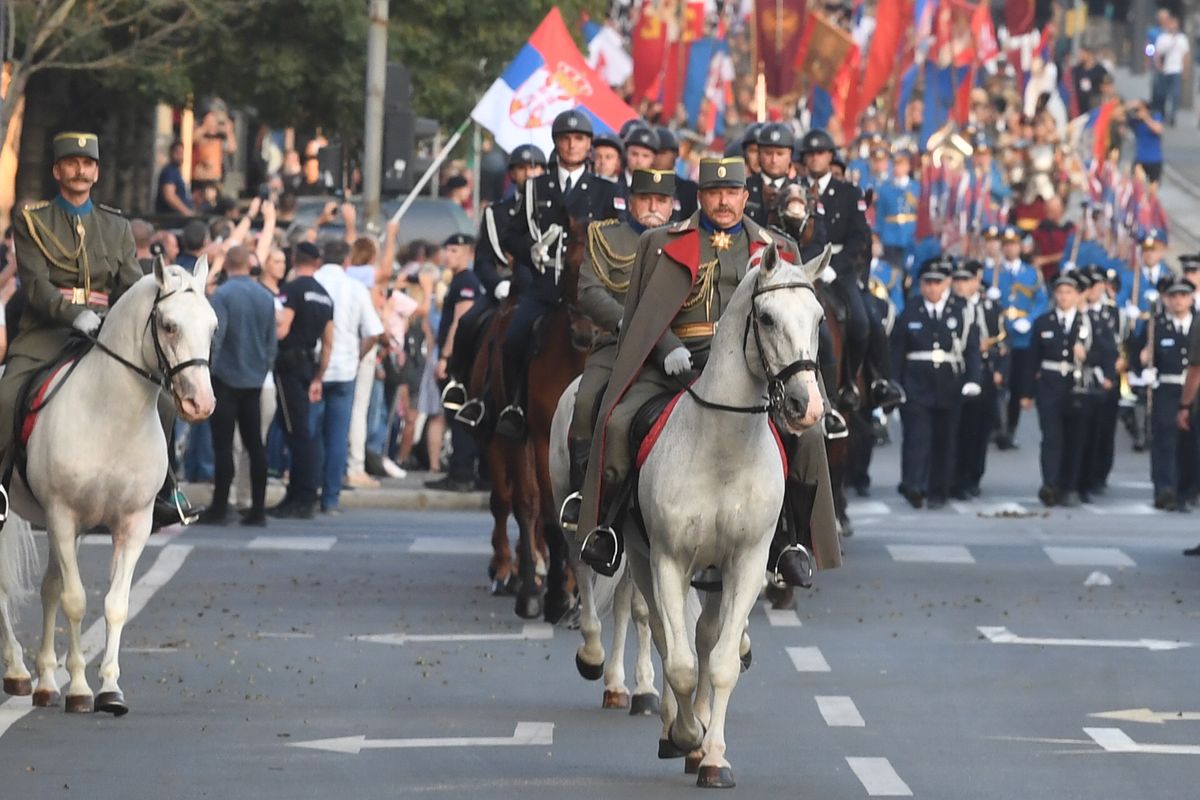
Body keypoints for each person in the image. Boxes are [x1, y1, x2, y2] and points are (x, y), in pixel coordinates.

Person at [578, 157, 842, 589]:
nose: (723, 201)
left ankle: (791, 541)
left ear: (744, 195)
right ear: (699, 196)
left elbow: (794, 324)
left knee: (810, 434)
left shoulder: (777, 248)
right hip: (676, 360)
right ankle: (608, 528)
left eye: (732, 192)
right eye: (714, 193)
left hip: (753, 367)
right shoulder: (661, 241)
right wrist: (666, 348)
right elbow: (642, 310)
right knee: (618, 418)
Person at [0, 131, 202, 528]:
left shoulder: (115, 225)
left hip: (107, 332)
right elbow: (36, 284)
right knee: (7, 396)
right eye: (72, 163)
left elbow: (130, 283)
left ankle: (164, 490)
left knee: (161, 400)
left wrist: (120, 317)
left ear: (96, 172)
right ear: (57, 170)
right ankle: (3, 485)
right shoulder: (32, 221)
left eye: (88, 164)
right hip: (47, 331)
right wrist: (72, 313)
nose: (80, 170)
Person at [558, 167, 676, 530]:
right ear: (631, 201)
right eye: (645, 199)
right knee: (587, 400)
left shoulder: (687, 239)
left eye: (661, 200)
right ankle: (584, 497)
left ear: (672, 205)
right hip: (618, 343)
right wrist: (625, 322)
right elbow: (590, 290)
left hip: (677, 345)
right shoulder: (605, 236)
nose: (653, 207)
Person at [495, 109, 618, 440]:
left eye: (579, 139)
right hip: (545, 286)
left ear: (588, 145)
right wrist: (531, 250)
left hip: (589, 288)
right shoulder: (536, 188)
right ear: (556, 143)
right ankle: (516, 407)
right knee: (514, 337)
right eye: (566, 138)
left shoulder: (606, 190)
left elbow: (618, 240)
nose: (572, 144)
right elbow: (511, 235)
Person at [800, 128, 904, 413]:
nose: (814, 159)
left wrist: (835, 266)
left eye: (820, 153)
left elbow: (860, 237)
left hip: (839, 268)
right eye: (809, 154)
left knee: (861, 320)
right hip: (802, 268)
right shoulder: (795, 189)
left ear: (830, 156)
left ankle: (855, 382)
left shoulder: (848, 192)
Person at [442, 144, 547, 423]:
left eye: (535, 168)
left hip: (541, 289)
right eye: (522, 168)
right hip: (505, 287)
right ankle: (461, 386)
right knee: (468, 323)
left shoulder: (551, 212)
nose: (529, 173)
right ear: (512, 174)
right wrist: (498, 285)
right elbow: (484, 261)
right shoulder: (497, 213)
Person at [891, 258, 982, 509]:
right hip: (916, 384)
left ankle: (938, 490)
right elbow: (897, 351)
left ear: (948, 283)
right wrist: (894, 384)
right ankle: (913, 486)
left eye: (937, 283)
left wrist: (974, 379)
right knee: (916, 439)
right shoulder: (910, 310)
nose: (932, 288)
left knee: (945, 440)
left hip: (949, 385)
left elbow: (971, 350)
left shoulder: (961, 310)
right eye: (928, 283)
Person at [199, 246, 277, 526]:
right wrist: (261, 370)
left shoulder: (223, 295)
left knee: (223, 445)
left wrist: (209, 371)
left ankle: (220, 506)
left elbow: (217, 337)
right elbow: (271, 343)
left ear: (228, 265)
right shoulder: (265, 296)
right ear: (249, 264)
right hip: (254, 379)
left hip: (226, 377)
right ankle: (258, 508)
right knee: (255, 444)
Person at [1022, 273, 1111, 507]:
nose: (1064, 297)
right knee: (1051, 437)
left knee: (1075, 438)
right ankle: (1050, 484)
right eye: (1060, 292)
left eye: (1069, 292)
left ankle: (1069, 485)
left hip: (1078, 386)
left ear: (1078, 295)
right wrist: (1027, 392)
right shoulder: (1044, 321)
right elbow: (1032, 358)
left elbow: (1105, 354)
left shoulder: (1089, 322)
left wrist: (1088, 356)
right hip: (1050, 385)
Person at [311, 239, 384, 514]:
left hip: (313, 368)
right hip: (343, 369)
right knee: (336, 436)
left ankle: (308, 489)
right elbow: (374, 331)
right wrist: (356, 355)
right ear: (346, 262)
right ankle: (330, 498)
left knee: (311, 433)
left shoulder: (312, 282)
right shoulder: (355, 288)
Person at [269, 241, 334, 519]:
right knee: (301, 430)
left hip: (289, 365)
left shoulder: (292, 290)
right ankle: (298, 494)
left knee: (297, 433)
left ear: (294, 258)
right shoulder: (324, 295)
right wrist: (319, 375)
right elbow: (329, 343)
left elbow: (282, 329)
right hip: (308, 365)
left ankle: (302, 496)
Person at [426, 233, 483, 492]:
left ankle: (461, 472)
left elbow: (460, 322)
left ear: (469, 253)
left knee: (457, 411)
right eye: (447, 250)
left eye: (455, 251)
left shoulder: (466, 282)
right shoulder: (458, 280)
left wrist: (446, 358)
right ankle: (460, 470)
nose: (449, 255)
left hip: (457, 359)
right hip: (455, 357)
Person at [1139, 279, 1196, 511]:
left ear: (1191, 298)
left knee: (1192, 444)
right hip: (1167, 388)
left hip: (1195, 391)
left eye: (1183, 295)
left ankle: (1189, 490)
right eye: (1174, 296)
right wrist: (1143, 366)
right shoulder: (1157, 326)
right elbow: (1137, 355)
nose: (1179, 300)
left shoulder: (1198, 325)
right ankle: (1165, 489)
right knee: (1165, 441)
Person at [950, 260, 1004, 499]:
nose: (961, 285)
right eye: (957, 281)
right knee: (958, 430)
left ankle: (974, 476)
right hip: (959, 374)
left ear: (976, 282)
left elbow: (1003, 341)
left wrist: (992, 355)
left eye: (966, 281)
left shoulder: (989, 307)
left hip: (984, 373)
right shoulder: (952, 307)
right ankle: (956, 478)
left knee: (980, 430)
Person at [994, 226, 1048, 448]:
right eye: (1006, 245)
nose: (1010, 248)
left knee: (1017, 384)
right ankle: (999, 427)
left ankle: (1011, 429)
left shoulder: (1031, 273)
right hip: (999, 335)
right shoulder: (994, 272)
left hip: (1023, 337)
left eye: (1013, 244)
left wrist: (1031, 319)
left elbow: (1042, 301)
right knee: (997, 384)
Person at [745, 122, 796, 228]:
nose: (774, 160)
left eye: (780, 154)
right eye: (768, 153)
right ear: (759, 154)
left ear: (790, 155)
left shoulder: (800, 189)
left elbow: (816, 238)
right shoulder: (744, 187)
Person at [1151, 11, 1189, 126]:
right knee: (1162, 94)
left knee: (1175, 94)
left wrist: (1185, 70)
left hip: (1176, 69)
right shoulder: (1162, 38)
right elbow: (1157, 53)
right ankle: (1162, 114)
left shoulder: (1182, 38)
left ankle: (1173, 115)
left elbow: (1186, 55)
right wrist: (1158, 66)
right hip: (1164, 70)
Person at [654, 127, 699, 219]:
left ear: (675, 154)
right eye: (652, 152)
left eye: (661, 152)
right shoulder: (637, 185)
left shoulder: (688, 189)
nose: (656, 157)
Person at [1126, 100, 1164, 185]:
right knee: (1137, 189)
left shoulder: (1155, 117)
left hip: (1154, 160)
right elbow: (1121, 111)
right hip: (1140, 159)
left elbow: (1158, 129)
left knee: (1152, 190)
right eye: (1138, 110)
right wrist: (1132, 104)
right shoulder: (1135, 122)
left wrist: (1146, 118)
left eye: (1142, 109)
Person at [155, 140, 193, 216]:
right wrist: (187, 212)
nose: (180, 156)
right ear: (171, 153)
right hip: (172, 218)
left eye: (181, 153)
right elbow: (169, 196)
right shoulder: (169, 171)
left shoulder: (176, 172)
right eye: (177, 153)